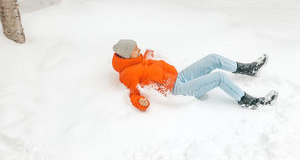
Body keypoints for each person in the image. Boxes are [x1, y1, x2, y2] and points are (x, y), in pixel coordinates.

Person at [112, 39, 278, 111]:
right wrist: (141, 102)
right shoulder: (128, 73)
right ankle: (247, 101)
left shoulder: (136, 61)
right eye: (136, 50)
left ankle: (248, 69)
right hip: (177, 89)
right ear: (128, 55)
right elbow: (133, 93)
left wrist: (148, 54)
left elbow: (146, 66)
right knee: (219, 77)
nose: (139, 50)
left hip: (179, 77)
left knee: (213, 58)